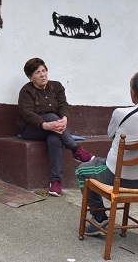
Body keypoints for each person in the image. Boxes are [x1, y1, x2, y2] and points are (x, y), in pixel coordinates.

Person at [74, 71, 138, 247]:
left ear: (133, 93)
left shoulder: (121, 114)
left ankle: (100, 219)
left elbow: (111, 135)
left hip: (115, 177)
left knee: (82, 170)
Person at [17, 57, 95, 197]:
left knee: (54, 139)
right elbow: (28, 114)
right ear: (30, 77)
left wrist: (64, 119)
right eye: (37, 73)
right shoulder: (26, 91)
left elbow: (63, 105)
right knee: (52, 117)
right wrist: (45, 125)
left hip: (54, 128)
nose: (42, 75)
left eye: (44, 70)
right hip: (31, 129)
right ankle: (75, 149)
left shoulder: (56, 86)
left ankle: (55, 182)